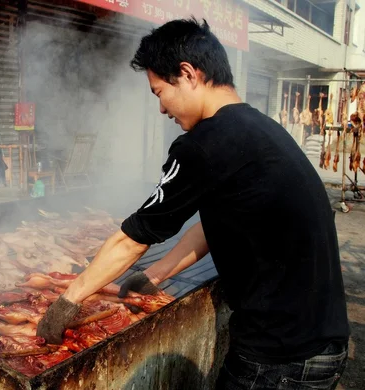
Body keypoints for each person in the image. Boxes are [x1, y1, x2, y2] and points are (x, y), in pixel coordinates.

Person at [36, 17, 350, 390]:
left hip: (279, 359)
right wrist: (157, 274)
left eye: (158, 93)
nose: (162, 110)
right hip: (321, 344)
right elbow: (217, 224)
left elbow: (134, 237)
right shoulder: (260, 128)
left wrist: (68, 300)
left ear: (187, 74)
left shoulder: (206, 142)